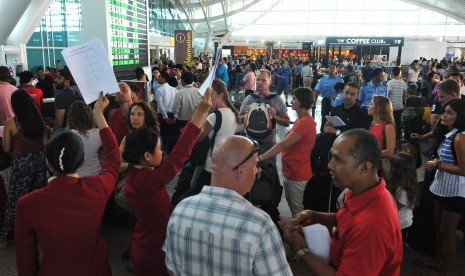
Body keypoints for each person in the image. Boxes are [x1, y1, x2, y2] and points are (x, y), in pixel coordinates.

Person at [13, 92, 119, 275]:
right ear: (83, 159)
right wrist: (99, 115)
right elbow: (113, 157)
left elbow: (25, 257)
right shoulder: (98, 188)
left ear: (47, 162)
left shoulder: (27, 204)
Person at [163, 136, 293, 275]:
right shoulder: (260, 224)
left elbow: (171, 268)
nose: (257, 171)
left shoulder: (181, 209)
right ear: (241, 170)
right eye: (255, 166)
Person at [280, 129, 402, 275]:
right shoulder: (363, 191)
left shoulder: (371, 226)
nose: (330, 165)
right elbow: (344, 219)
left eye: (338, 159)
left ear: (364, 167)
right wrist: (314, 215)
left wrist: (300, 251)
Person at [121, 88, 212, 275]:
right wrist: (201, 113)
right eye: (159, 149)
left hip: (145, 245)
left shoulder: (135, 175)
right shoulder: (148, 180)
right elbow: (178, 156)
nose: (163, 153)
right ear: (147, 155)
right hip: (154, 253)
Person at [416, 99, 465, 274]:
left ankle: (446, 270)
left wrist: (438, 165)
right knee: (438, 227)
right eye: (445, 111)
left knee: (447, 233)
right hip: (441, 186)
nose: (444, 115)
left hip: (455, 192)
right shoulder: (448, 133)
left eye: (450, 112)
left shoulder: (460, 137)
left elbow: (463, 169)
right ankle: (438, 261)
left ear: (460, 116)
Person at [0, 89, 48, 248]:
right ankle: (39, 232)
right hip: (39, 161)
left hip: (22, 164)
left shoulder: (11, 123)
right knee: (37, 198)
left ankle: (4, 238)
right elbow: (45, 142)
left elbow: (7, 149)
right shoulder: (39, 120)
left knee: (15, 200)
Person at [259, 88, 316, 216]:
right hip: (291, 171)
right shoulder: (300, 120)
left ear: (302, 101)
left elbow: (284, 145)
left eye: (295, 98)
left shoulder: (305, 122)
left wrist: (261, 157)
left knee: (299, 213)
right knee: (294, 210)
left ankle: (301, 235)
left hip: (298, 174)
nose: (291, 100)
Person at [189, 79, 241, 196]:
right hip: (226, 163)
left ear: (220, 94)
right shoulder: (233, 113)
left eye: (211, 94)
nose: (209, 98)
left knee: (195, 190)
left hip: (210, 164)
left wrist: (196, 116)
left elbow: (197, 138)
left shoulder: (214, 116)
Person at [386, 152, 418, 241]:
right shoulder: (403, 183)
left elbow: (393, 209)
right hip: (399, 220)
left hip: (401, 223)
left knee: (396, 245)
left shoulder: (403, 191)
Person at [67, 101, 102, 177]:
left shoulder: (68, 135)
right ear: (90, 116)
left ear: (71, 117)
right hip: (96, 173)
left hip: (76, 177)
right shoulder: (99, 133)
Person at [313, 64, 344, 132]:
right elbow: (316, 91)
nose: (332, 69)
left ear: (336, 70)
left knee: (336, 119)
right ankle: (323, 133)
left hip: (337, 102)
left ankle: (333, 134)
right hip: (326, 101)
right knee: (324, 118)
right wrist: (314, 103)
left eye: (333, 68)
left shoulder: (340, 80)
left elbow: (343, 92)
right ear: (328, 69)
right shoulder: (323, 80)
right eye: (330, 68)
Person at [387, 67, 407, 140]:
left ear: (392, 73)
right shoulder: (403, 82)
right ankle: (398, 138)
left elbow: (388, 93)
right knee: (398, 122)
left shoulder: (390, 82)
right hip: (399, 106)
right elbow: (405, 95)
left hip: (391, 106)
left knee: (390, 122)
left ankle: (390, 138)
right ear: (400, 73)